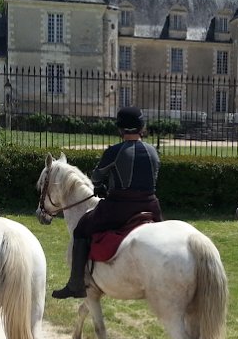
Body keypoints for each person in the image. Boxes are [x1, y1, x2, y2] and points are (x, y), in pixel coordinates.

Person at [52, 106, 163, 299]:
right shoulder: (153, 151)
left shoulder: (115, 151)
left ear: (120, 129)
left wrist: (103, 187)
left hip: (120, 207)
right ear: (141, 127)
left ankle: (76, 284)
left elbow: (96, 178)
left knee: (81, 229)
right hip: (151, 205)